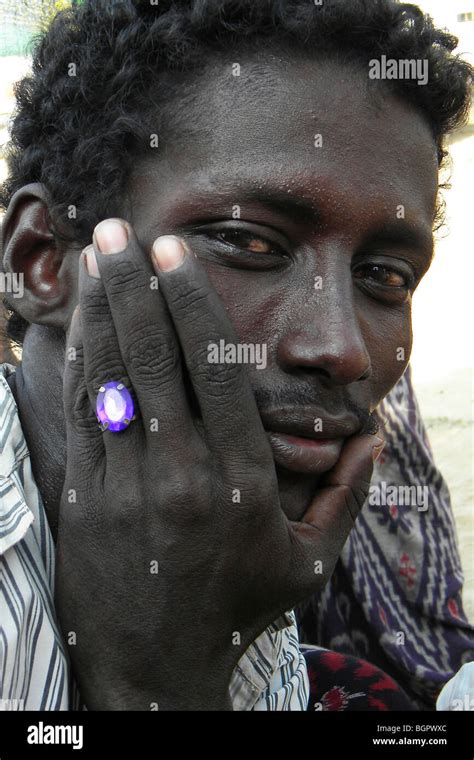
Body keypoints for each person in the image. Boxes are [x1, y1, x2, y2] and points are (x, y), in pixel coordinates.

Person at [0, 0, 472, 711]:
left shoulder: (251, 580)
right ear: (43, 262)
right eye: (250, 243)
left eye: (384, 277)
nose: (340, 349)